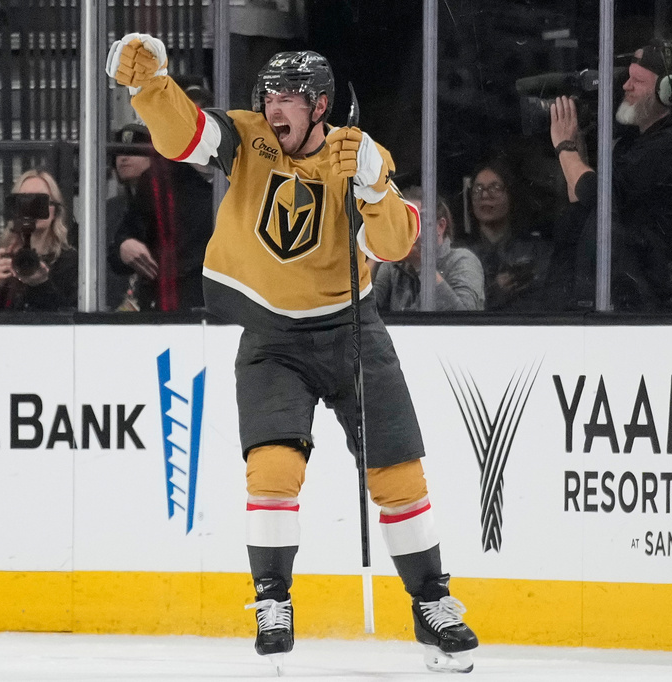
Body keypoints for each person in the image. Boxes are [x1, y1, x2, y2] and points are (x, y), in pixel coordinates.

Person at [106, 36, 478, 672]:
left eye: (287, 98)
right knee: (273, 471)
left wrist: (376, 189)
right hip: (272, 336)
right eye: (267, 95)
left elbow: (394, 245)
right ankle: (272, 599)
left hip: (352, 329)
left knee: (398, 476)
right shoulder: (247, 139)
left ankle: (430, 602)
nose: (272, 107)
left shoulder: (357, 153)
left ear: (321, 105)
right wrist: (150, 88)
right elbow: (183, 137)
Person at [550, 38, 672, 311]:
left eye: (638, 81)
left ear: (669, 92)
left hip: (654, 309)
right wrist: (577, 147)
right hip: (625, 300)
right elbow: (581, 194)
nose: (626, 86)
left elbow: (597, 194)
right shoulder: (635, 142)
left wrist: (564, 146)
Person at [107, 82, 215, 312]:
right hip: (171, 309)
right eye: (184, 117)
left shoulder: (243, 173)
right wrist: (125, 246)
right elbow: (124, 243)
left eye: (200, 119)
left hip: (231, 311)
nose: (193, 126)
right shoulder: (158, 180)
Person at [0, 169, 78, 312]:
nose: (32, 209)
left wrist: (42, 285)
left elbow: (70, 320)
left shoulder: (69, 262)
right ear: (15, 208)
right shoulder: (0, 258)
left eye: (40, 202)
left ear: (55, 210)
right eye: (25, 201)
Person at [374, 187, 484, 313]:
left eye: (418, 221)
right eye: (403, 221)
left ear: (441, 226)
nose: (409, 230)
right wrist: (375, 254)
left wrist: (421, 264)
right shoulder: (392, 267)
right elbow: (360, 313)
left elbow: (466, 319)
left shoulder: (462, 260)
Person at [465, 160, 552, 311]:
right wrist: (495, 292)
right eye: (478, 189)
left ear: (511, 194)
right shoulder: (463, 254)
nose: (485, 195)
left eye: (495, 187)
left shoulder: (536, 250)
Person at [105, 122, 154, 309]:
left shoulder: (169, 207)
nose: (123, 158)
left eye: (133, 151)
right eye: (119, 153)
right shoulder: (107, 210)